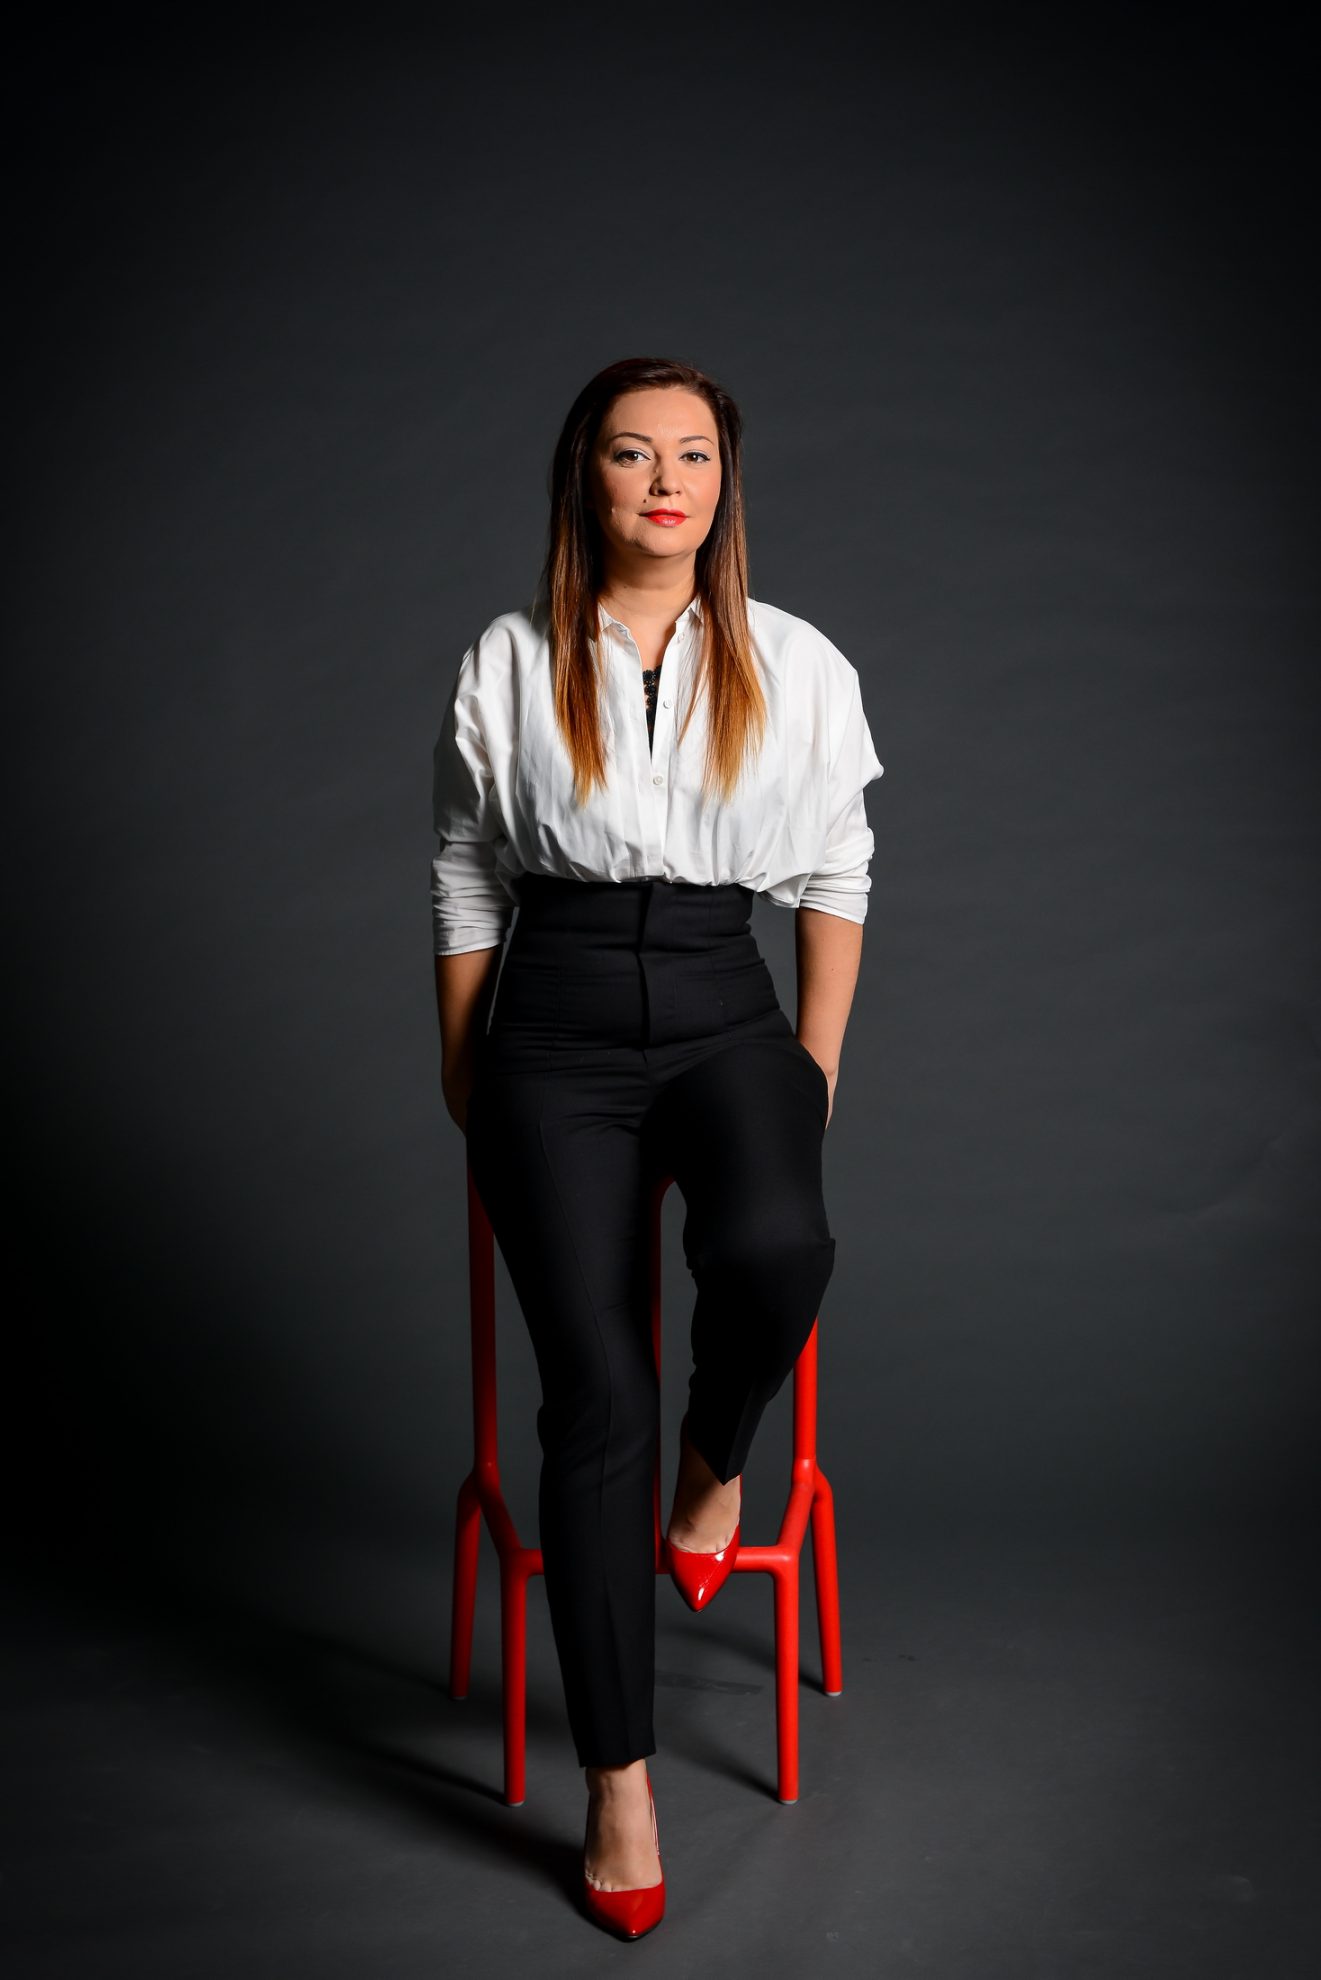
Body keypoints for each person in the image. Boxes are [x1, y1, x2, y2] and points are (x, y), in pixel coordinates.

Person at [430, 355, 884, 1940]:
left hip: (718, 1004)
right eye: (631, 453)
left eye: (691, 454)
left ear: (722, 484)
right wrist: (463, 1063)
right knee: (593, 1396)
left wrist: (813, 1065)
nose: (664, 481)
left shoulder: (796, 661)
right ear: (586, 478)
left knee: (778, 1244)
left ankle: (715, 1469)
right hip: (549, 1023)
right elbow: (465, 865)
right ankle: (616, 1782)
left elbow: (837, 867)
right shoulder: (507, 661)